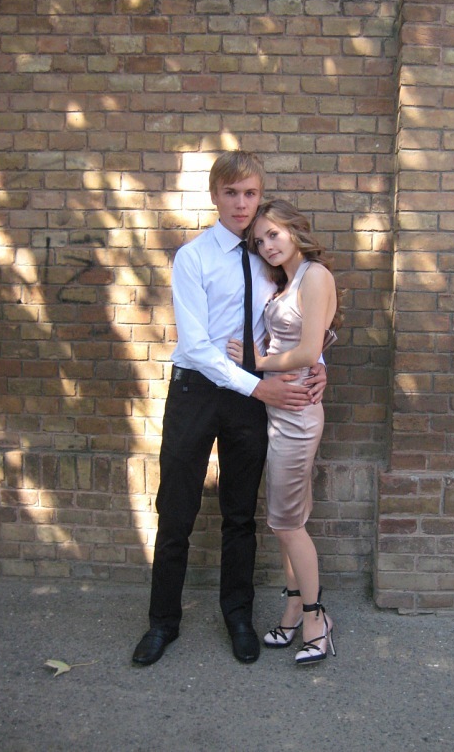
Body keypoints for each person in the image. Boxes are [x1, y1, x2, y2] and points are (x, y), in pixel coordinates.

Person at [132, 151, 327, 667]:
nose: (242, 204)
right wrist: (259, 388)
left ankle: (238, 616)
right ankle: (162, 622)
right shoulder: (193, 257)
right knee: (176, 511)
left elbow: (300, 318)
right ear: (215, 196)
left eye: (250, 194)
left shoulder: (270, 256)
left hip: (248, 399)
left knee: (240, 513)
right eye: (232, 193)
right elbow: (196, 347)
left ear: (260, 196)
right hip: (197, 393)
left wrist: (318, 363)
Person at [227, 199, 342, 665]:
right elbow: (306, 345)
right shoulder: (285, 282)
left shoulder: (315, 276)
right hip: (278, 412)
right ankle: (294, 607)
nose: (267, 246)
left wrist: (254, 362)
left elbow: (309, 349)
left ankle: (316, 619)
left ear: (295, 229)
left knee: (288, 523)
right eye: (259, 241)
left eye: (274, 234)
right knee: (284, 521)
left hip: (297, 414)